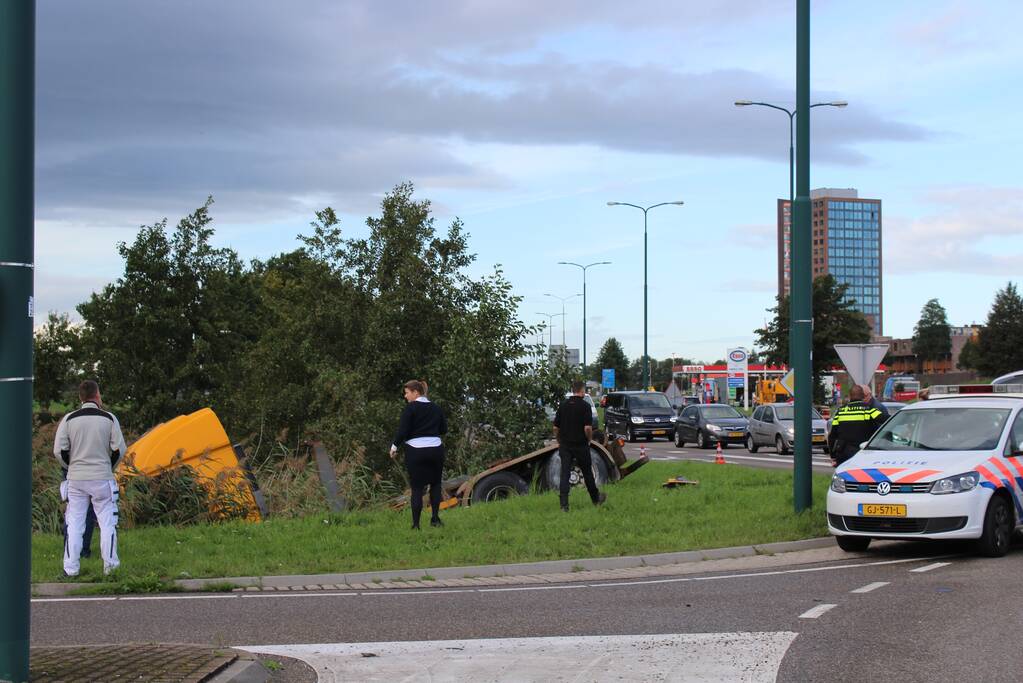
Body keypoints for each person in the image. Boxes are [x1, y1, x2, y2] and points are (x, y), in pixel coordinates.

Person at [53, 380, 127, 576]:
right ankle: (111, 568)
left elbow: (59, 451)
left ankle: (70, 569)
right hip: (102, 478)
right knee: (107, 523)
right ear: (97, 395)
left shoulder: (69, 419)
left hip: (76, 479)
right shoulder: (109, 419)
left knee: (75, 523)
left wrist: (71, 467)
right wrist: (108, 467)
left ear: (80, 397)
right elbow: (119, 450)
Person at [390, 380, 447, 530]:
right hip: (436, 449)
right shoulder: (436, 408)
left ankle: (416, 525)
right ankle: (435, 519)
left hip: (416, 451)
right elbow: (443, 429)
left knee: (416, 488)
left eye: (407, 392)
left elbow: (403, 430)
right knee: (435, 484)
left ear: (416, 392)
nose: (405, 396)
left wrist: (394, 446)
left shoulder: (411, 408)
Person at [553, 380, 606, 512]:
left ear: (573, 390)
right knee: (587, 472)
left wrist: (559, 439)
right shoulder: (585, 406)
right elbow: (588, 428)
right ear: (582, 391)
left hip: (565, 445)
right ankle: (596, 499)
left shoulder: (563, 405)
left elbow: (555, 427)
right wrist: (588, 439)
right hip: (581, 445)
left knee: (564, 473)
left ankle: (564, 505)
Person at [827, 384, 887, 467]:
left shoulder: (841, 412)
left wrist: (833, 456)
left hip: (843, 454)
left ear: (850, 396)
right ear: (863, 395)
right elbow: (886, 421)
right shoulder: (868, 410)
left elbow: (832, 435)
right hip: (863, 453)